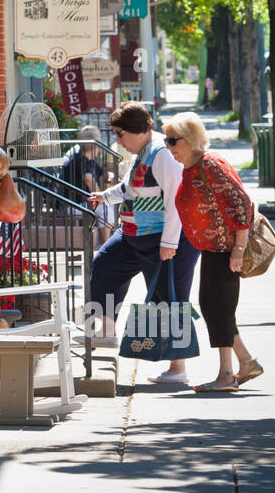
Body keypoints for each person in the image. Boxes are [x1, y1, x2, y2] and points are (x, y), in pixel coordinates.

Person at [87, 101, 199, 380]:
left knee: (169, 297)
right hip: (132, 235)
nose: (117, 140)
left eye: (119, 134)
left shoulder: (162, 154)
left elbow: (175, 201)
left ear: (136, 131)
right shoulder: (143, 152)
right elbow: (130, 187)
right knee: (103, 266)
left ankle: (178, 368)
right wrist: (105, 196)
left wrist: (170, 244)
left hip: (162, 238)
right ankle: (104, 332)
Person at [163, 112, 262, 392]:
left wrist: (238, 249)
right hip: (212, 247)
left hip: (225, 248)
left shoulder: (209, 164)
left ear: (191, 138)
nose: (169, 147)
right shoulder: (193, 166)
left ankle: (227, 374)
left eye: (173, 140)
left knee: (218, 308)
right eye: (167, 140)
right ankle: (245, 362)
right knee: (214, 307)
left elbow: (241, 203)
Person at [60, 126, 112, 245]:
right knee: (106, 209)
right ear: (95, 145)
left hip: (83, 203)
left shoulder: (91, 161)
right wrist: (101, 198)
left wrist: (109, 176)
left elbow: (102, 175)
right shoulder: (80, 160)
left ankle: (103, 243)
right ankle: (106, 243)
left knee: (107, 208)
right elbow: (89, 179)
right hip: (73, 204)